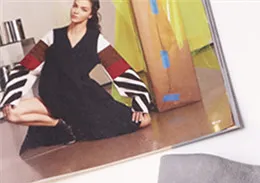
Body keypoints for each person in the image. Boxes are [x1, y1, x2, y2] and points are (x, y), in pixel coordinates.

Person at [0, 0, 154, 154]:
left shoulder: (96, 40)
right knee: (12, 114)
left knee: (144, 120)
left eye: (83, 9)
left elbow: (120, 70)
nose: (76, 11)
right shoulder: (53, 36)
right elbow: (26, 67)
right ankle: (58, 125)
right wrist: (10, 97)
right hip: (52, 101)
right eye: (75, 6)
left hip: (84, 103)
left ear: (90, 14)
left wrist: (139, 100)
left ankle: (67, 126)